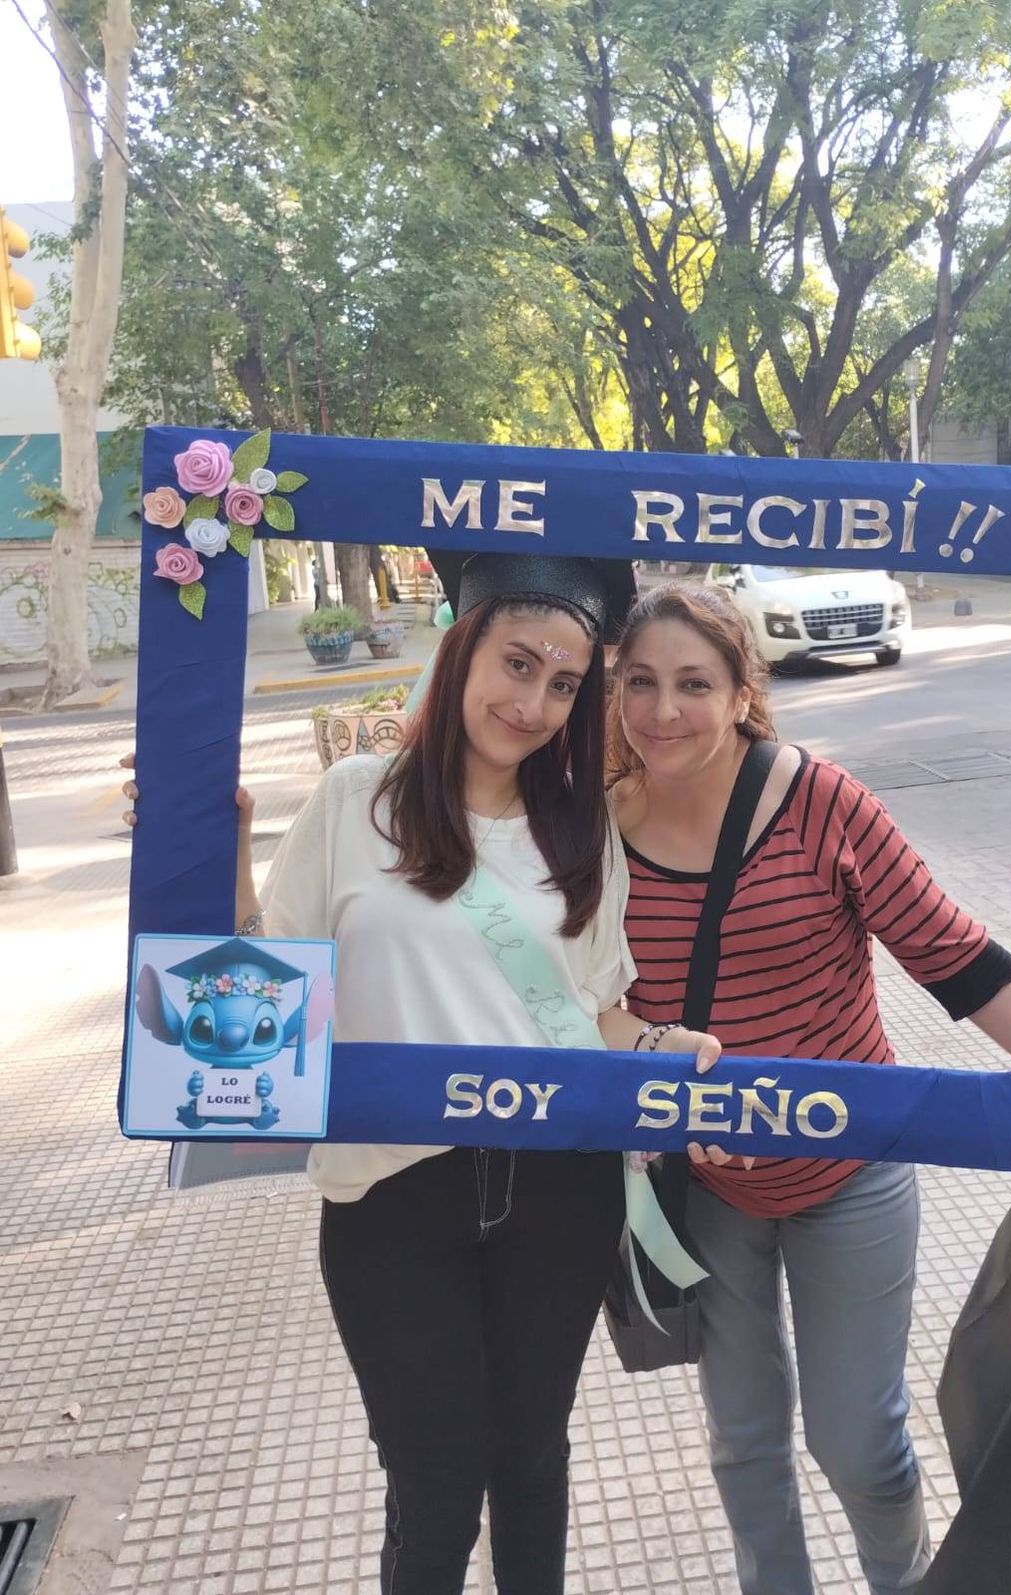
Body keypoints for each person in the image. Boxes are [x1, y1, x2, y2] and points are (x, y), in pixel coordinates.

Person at [123, 551, 720, 1595]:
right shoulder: (359, 800)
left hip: (558, 1192)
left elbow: (598, 1009)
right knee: (435, 1479)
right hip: (391, 1191)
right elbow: (263, 989)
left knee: (532, 1462)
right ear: (462, 650)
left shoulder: (581, 824)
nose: (534, 702)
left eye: (566, 682)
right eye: (518, 663)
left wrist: (671, 1055)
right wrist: (214, 853)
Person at [607, 583, 1011, 1595]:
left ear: (745, 691)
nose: (663, 710)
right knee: (744, 1440)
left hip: (852, 1171)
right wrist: (655, 1070)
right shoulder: (592, 826)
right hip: (704, 1189)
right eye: (641, 682)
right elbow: (571, 994)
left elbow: (958, 957)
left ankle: (909, 1579)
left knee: (859, 1441)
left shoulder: (822, 803)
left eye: (694, 683)